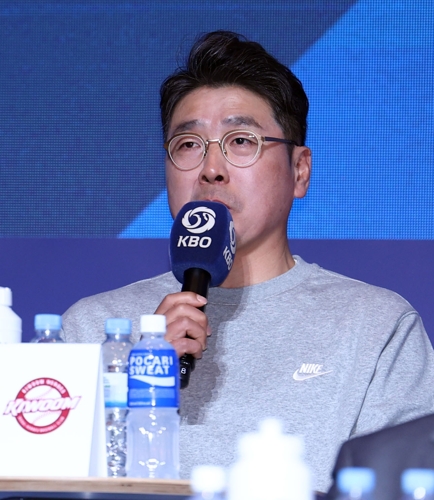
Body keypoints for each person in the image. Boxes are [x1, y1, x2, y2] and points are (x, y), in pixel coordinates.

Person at [62, 31, 434, 492]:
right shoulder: (92, 330)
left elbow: (401, 483)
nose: (211, 169)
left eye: (241, 141)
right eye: (188, 145)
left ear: (300, 171)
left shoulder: (376, 326)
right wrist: (137, 386)